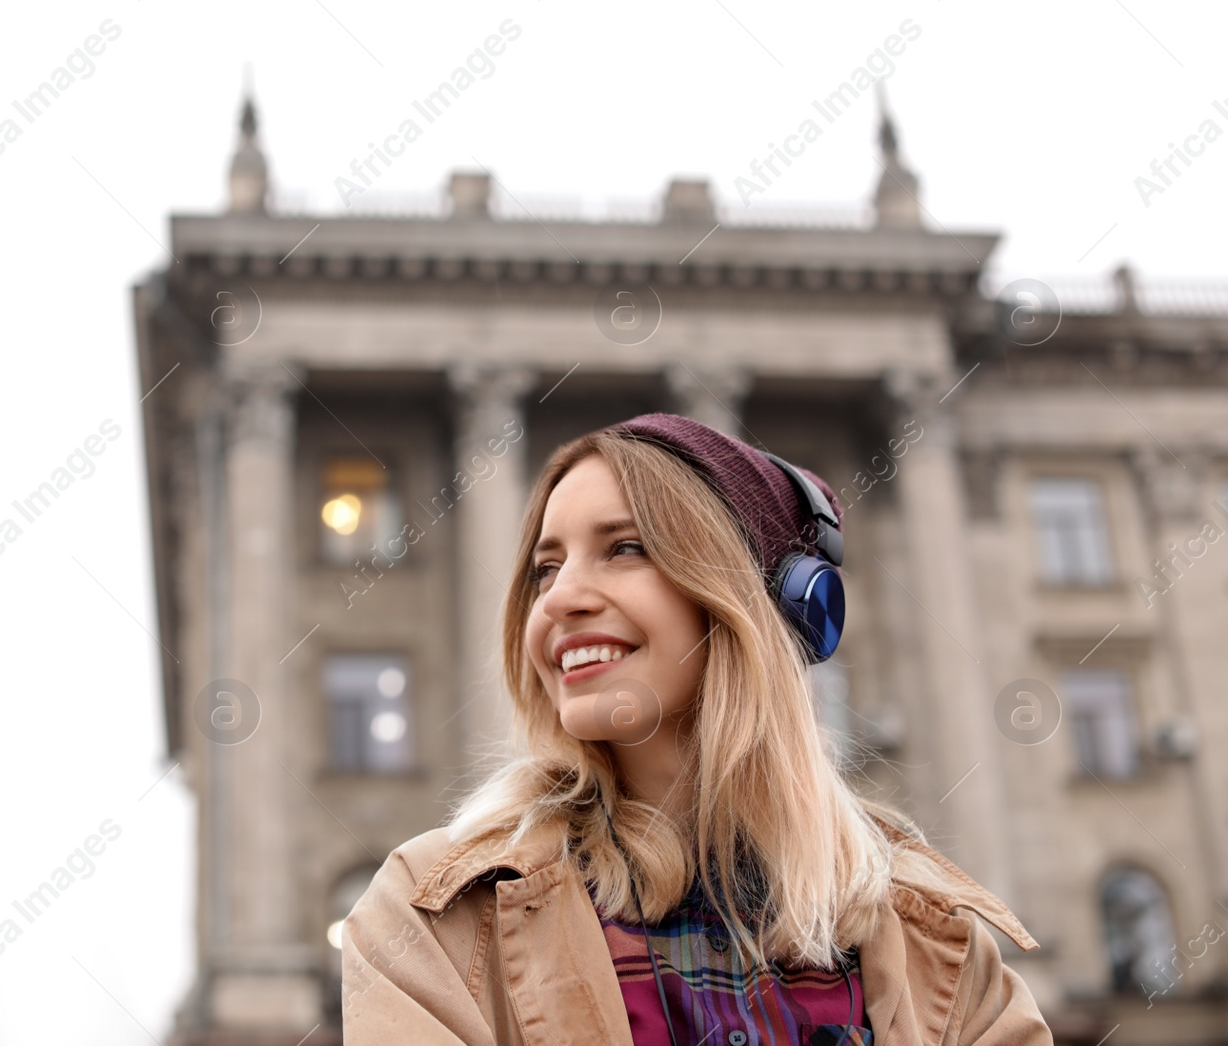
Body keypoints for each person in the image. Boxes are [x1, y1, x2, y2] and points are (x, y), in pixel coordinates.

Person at [341, 412, 1053, 1045]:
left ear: (761, 602)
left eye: (624, 547)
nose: (560, 598)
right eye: (544, 568)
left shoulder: (936, 941)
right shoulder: (437, 911)